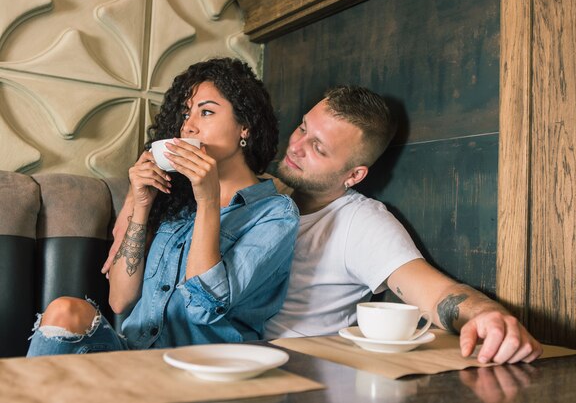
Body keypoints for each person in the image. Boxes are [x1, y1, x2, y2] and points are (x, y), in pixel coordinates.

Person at [27, 57, 299, 356]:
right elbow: (120, 300)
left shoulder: (275, 213)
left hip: (206, 366)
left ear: (244, 127)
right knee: (65, 310)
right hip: (137, 354)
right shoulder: (178, 201)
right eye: (185, 115)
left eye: (206, 112)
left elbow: (204, 307)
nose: (189, 127)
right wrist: (141, 204)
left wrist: (208, 201)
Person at [262, 86, 543, 364]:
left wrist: (487, 317)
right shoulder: (267, 191)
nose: (296, 147)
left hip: (300, 369)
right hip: (237, 353)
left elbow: (438, 295)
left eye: (318, 148)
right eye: (302, 128)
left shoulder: (360, 222)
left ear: (354, 174)